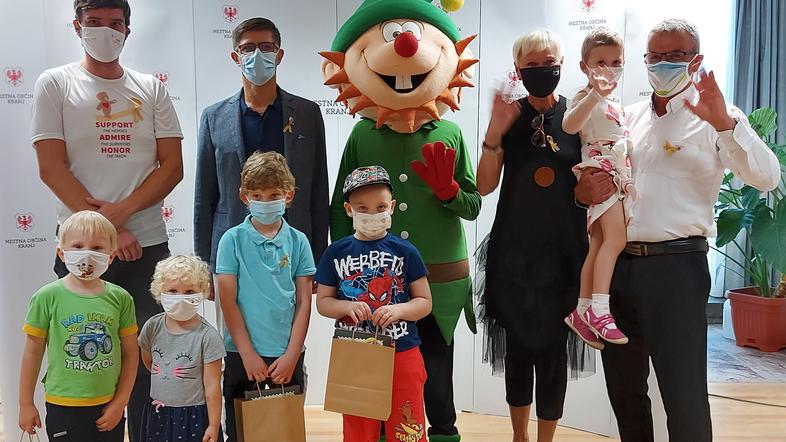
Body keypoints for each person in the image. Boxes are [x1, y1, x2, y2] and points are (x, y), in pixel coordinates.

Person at [575, 19, 780, 442]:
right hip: (618, 269)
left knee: (683, 396)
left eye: (675, 56)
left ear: (696, 61)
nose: (663, 64)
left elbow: (767, 177)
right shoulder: (625, 116)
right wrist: (582, 192)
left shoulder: (717, 116)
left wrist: (725, 125)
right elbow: (599, 181)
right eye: (655, 56)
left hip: (677, 269)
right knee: (625, 392)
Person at [30, 2, 183, 439]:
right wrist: (109, 230)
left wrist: (120, 216)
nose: (105, 32)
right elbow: (51, 167)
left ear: (127, 29)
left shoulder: (151, 88)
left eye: (115, 23)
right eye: (94, 23)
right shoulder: (55, 83)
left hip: (145, 246)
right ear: (77, 26)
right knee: (83, 355)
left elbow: (172, 167)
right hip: (82, 252)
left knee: (148, 358)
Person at [475, 29, 595, 442]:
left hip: (565, 253)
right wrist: (493, 136)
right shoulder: (509, 116)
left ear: (562, 64)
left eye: (549, 63)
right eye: (532, 64)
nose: (542, 70)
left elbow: (594, 181)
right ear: (518, 69)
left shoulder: (578, 116)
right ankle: (519, 437)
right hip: (514, 253)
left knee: (554, 354)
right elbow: (484, 186)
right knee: (518, 351)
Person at [194, 17, 329, 293]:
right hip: (231, 252)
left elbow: (318, 189)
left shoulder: (307, 113)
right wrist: (203, 265)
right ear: (236, 57)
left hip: (292, 249)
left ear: (279, 55)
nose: (257, 55)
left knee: (289, 318)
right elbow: (204, 196)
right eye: (248, 48)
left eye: (266, 47)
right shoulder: (213, 117)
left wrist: (319, 259)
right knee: (233, 321)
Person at [316, 165, 432, 442]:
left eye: (380, 207)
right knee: (359, 431)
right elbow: (323, 302)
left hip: (402, 351)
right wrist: (345, 307)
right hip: (355, 354)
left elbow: (425, 302)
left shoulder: (406, 251)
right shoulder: (335, 252)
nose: (372, 214)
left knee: (407, 429)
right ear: (349, 210)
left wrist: (399, 310)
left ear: (392, 206)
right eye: (363, 208)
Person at [215, 151, 316, 442]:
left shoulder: (299, 241)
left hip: (286, 354)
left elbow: (304, 302)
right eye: (257, 195)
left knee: (285, 432)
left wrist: (292, 355)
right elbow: (228, 301)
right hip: (242, 355)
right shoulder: (231, 240)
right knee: (241, 432)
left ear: (288, 195)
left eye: (274, 195)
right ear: (244, 197)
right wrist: (248, 353)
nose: (265, 201)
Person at [18, 211, 138, 442]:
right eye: (78, 246)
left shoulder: (121, 298)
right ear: (61, 253)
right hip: (63, 404)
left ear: (111, 255)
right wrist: (25, 403)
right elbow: (32, 352)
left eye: (97, 247)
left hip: (108, 403)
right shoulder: (46, 297)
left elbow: (131, 353)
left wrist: (121, 401)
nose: (87, 253)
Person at [562, 27, 632, 348]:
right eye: (601, 62)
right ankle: (600, 311)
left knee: (600, 242)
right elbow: (569, 125)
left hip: (615, 171)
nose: (609, 69)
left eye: (616, 62)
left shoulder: (616, 101)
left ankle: (582, 309)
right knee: (616, 239)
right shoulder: (585, 96)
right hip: (601, 172)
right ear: (585, 66)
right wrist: (594, 95)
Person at [138, 255, 225, 442]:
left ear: (202, 292)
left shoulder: (208, 337)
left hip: (193, 417)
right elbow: (148, 360)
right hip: (159, 413)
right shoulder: (152, 327)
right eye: (173, 291)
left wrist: (214, 425)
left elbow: (212, 387)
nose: (180, 298)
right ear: (160, 291)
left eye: (189, 291)